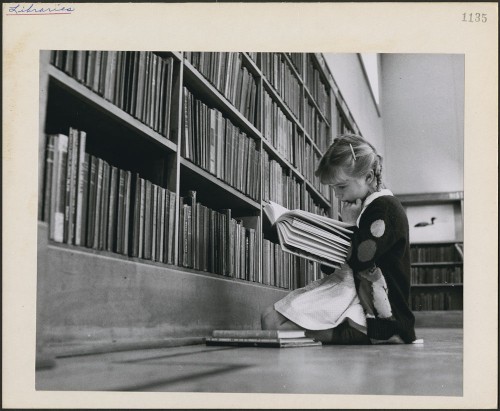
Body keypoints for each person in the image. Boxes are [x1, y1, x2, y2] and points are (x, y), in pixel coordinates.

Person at [261, 134, 417, 344]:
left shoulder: (385, 208)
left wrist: (350, 225)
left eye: (341, 187)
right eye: (333, 188)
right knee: (269, 319)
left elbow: (361, 257)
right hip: (350, 292)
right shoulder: (360, 205)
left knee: (274, 326)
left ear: (369, 178)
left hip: (377, 311)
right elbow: (333, 266)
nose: (337, 195)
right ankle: (356, 332)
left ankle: (382, 334)